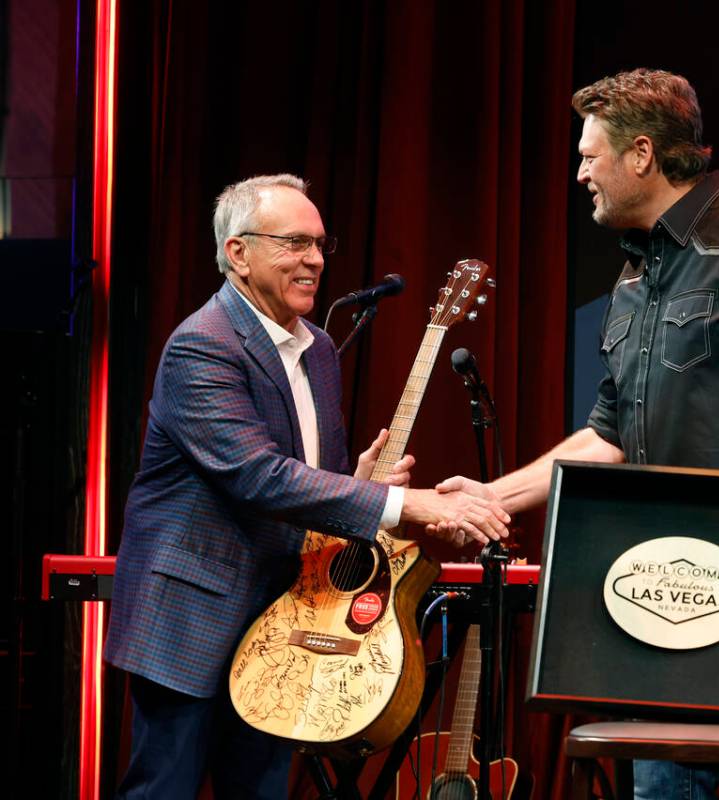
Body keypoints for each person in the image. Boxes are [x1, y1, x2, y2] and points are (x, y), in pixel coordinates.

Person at [434, 70, 719, 799]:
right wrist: (487, 497)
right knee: (667, 788)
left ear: (641, 154)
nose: (580, 172)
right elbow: (607, 434)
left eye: (589, 155)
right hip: (667, 580)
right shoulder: (635, 276)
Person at [104, 174, 509, 799]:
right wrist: (410, 502)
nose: (315, 260)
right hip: (191, 619)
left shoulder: (317, 348)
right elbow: (257, 475)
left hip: (283, 625)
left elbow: (304, 487)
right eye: (294, 243)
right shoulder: (201, 346)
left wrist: (357, 480)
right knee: (165, 788)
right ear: (238, 253)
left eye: (321, 244)